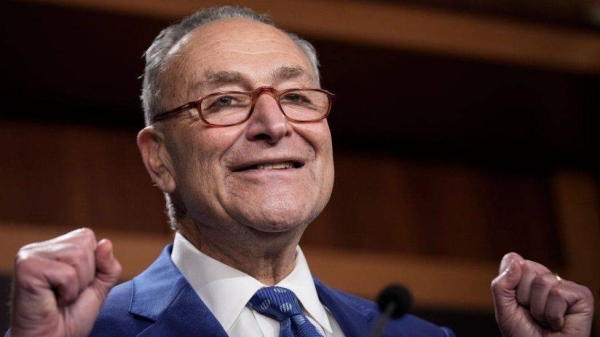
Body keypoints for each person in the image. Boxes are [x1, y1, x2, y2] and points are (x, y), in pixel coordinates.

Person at [7, 6, 594, 337]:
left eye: (297, 95)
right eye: (227, 102)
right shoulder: (78, 336)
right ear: (160, 158)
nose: (273, 123)